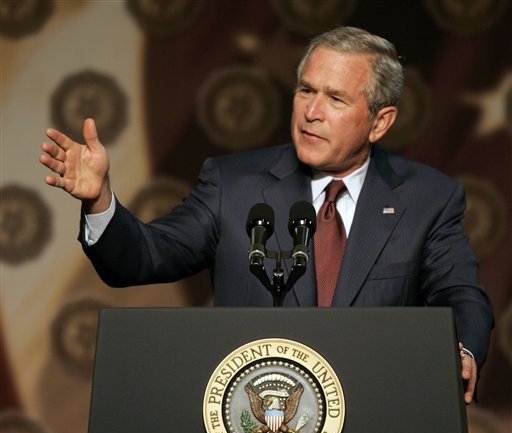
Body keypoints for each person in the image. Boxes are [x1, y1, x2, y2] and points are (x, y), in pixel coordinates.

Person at [39, 26, 492, 403]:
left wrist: (463, 349)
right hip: (255, 426)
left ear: (380, 122)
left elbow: (461, 292)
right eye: (306, 90)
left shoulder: (427, 197)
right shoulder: (232, 185)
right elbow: (140, 258)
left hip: (373, 425)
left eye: (335, 99)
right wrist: (99, 200)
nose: (311, 112)